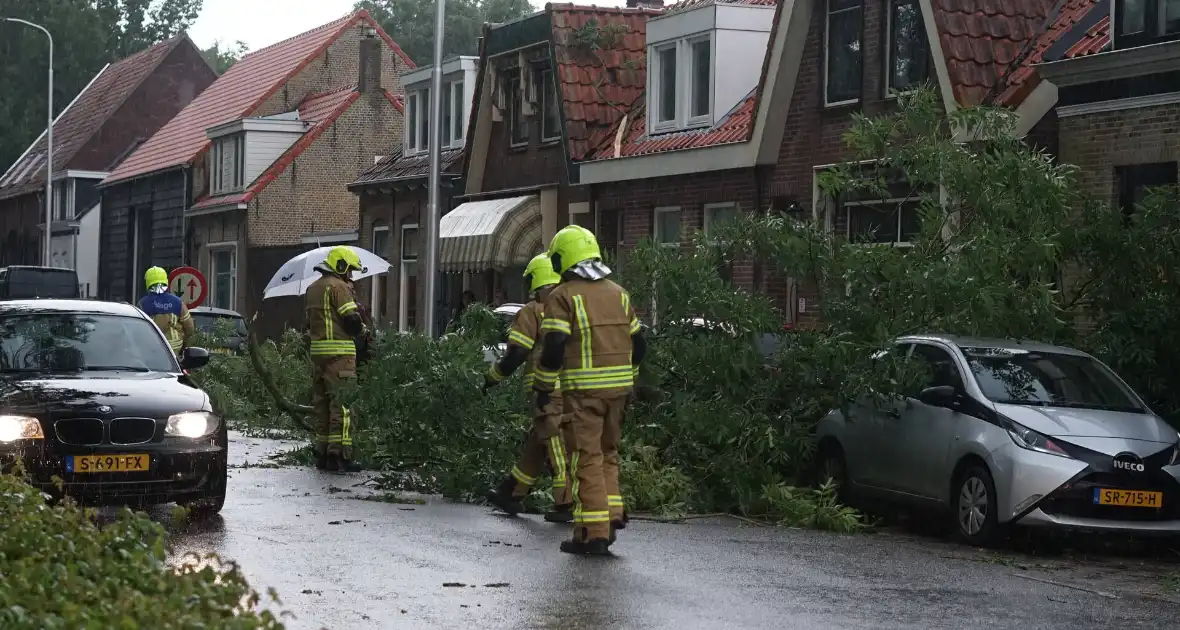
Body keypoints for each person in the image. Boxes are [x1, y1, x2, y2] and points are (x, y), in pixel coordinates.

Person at [532, 225, 646, 556]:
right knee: (609, 453)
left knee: (586, 458)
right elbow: (639, 345)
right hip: (619, 392)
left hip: (584, 394)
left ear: (562, 259)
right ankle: (611, 514)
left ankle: (592, 532)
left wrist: (542, 387)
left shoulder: (563, 296)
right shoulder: (619, 293)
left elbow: (554, 348)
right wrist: (629, 379)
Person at [483, 254, 575, 523]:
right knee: (536, 444)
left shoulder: (534, 310)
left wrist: (492, 377)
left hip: (547, 392)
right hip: (575, 389)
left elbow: (516, 353)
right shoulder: (574, 305)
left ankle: (566, 501)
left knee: (555, 444)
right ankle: (510, 493)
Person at [304, 246, 368, 472]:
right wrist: (363, 331)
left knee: (322, 405)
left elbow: (309, 324)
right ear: (341, 266)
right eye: (350, 270)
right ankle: (340, 454)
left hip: (318, 355)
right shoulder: (339, 287)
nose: (350, 275)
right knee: (343, 406)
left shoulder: (312, 289)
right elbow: (350, 320)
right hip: (340, 355)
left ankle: (322, 453)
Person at [138, 267, 195, 356]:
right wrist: (184, 345)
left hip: (151, 348)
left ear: (147, 282)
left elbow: (138, 330)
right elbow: (190, 328)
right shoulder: (177, 302)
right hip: (174, 348)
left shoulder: (143, 303)